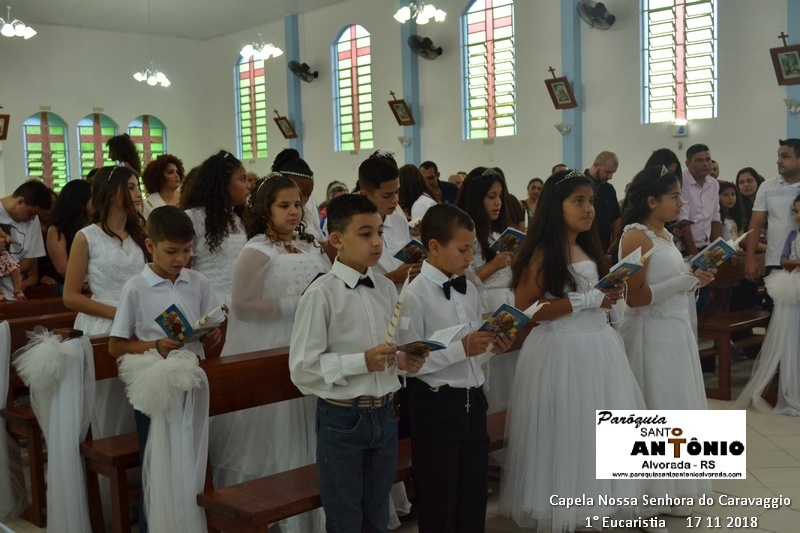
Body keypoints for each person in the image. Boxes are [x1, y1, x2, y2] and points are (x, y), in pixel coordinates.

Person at [500, 169, 646, 532]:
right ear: (556, 206)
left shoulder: (588, 246)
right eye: (578, 201)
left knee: (597, 427)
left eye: (591, 201)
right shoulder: (541, 252)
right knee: (568, 429)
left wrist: (609, 294)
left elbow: (595, 295)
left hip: (598, 344)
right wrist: (586, 300)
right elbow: (526, 308)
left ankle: (597, 502)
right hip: (562, 350)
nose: (588, 209)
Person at [289, 194, 424, 533]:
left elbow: (392, 349)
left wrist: (405, 360)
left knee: (377, 516)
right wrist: (361, 362)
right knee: (345, 518)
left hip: (385, 414)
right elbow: (303, 370)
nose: (377, 242)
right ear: (336, 239)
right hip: (342, 420)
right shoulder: (321, 294)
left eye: (379, 232)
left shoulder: (386, 287)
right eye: (365, 234)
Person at [212, 173, 329, 532]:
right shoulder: (257, 250)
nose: (294, 211)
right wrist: (297, 303)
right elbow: (243, 307)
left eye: (297, 205)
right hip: (274, 343)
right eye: (284, 205)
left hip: (311, 341)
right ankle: (279, 507)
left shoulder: (310, 245)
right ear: (266, 209)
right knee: (280, 425)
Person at [398, 203, 513, 532]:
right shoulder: (414, 295)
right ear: (434, 246)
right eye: (463, 250)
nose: (470, 258)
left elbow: (473, 353)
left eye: (472, 249)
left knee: (473, 496)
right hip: (436, 405)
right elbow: (408, 363)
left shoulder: (469, 288)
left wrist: (491, 348)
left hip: (473, 400)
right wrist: (460, 349)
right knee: (439, 498)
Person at [109, 205, 223, 533]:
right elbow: (116, 345)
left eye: (187, 250)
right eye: (171, 251)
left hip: (193, 379)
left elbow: (211, 327)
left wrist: (212, 334)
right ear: (150, 245)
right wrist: (155, 345)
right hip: (155, 385)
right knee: (157, 463)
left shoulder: (198, 281)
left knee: (191, 458)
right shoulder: (135, 287)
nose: (180, 259)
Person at [617, 166, 714, 511]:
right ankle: (649, 495)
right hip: (651, 333)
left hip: (674, 329)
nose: (680, 202)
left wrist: (694, 279)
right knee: (657, 405)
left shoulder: (665, 234)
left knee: (676, 403)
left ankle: (675, 489)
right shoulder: (635, 236)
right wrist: (681, 283)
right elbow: (634, 296)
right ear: (651, 201)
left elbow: (668, 282)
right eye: (674, 196)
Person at [63, 165, 148, 439]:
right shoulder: (86, 237)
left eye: (138, 187)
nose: (138, 194)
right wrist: (119, 313)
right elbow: (70, 296)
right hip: (103, 322)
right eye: (131, 187)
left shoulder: (141, 231)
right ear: (112, 193)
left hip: (139, 320)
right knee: (110, 398)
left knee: (141, 394)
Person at [736, 193, 800, 415]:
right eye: (796, 211)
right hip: (791, 285)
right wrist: (791, 262)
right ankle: (789, 388)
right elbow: (783, 258)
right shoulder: (793, 235)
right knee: (788, 336)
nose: (798, 216)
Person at [181, 150, 249, 307]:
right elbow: (183, 268)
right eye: (242, 179)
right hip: (208, 300)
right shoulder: (194, 217)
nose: (248, 185)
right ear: (223, 183)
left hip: (240, 300)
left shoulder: (239, 218)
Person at [745, 140, 800, 290]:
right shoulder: (767, 187)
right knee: (777, 304)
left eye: (785, 156)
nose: (779, 161)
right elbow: (755, 225)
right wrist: (750, 259)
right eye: (778, 156)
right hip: (776, 260)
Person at [360, 154, 421, 286]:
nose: (395, 200)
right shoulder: (356, 228)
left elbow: (404, 257)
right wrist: (393, 277)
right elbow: (353, 282)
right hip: (374, 296)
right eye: (386, 196)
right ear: (365, 195)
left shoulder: (398, 218)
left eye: (397, 192)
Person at [0, 180, 53, 299]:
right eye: (31, 213)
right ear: (20, 201)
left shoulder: (33, 220)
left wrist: (7, 268)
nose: (32, 218)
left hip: (13, 294)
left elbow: (30, 260)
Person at [45, 179, 92, 297]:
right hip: (70, 286)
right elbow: (62, 268)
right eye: (93, 197)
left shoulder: (94, 225)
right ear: (80, 200)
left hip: (94, 283)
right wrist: (86, 281)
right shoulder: (56, 230)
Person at [272, 148, 324, 242]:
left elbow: (320, 240)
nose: (306, 199)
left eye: (309, 194)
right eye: (302, 193)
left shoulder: (310, 204)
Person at [678, 144, 721, 256]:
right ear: (687, 163)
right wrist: (695, 257)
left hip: (707, 247)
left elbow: (715, 219)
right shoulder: (681, 182)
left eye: (708, 159)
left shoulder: (714, 183)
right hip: (685, 250)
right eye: (699, 160)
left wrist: (718, 250)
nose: (705, 164)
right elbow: (683, 223)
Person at [585, 151, 621, 252]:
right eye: (607, 172)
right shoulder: (580, 185)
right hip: (584, 242)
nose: (610, 177)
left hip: (604, 245)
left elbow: (617, 217)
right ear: (596, 165)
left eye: (612, 173)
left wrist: (616, 240)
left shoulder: (609, 189)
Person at [141, 154, 184, 219]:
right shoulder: (149, 204)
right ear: (159, 176)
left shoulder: (185, 198)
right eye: (170, 172)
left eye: (177, 172)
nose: (177, 175)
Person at [0, 229, 24, 302]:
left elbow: (5, 235)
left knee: (16, 269)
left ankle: (17, 291)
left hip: (2, 256)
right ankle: (0, 294)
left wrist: (8, 238)